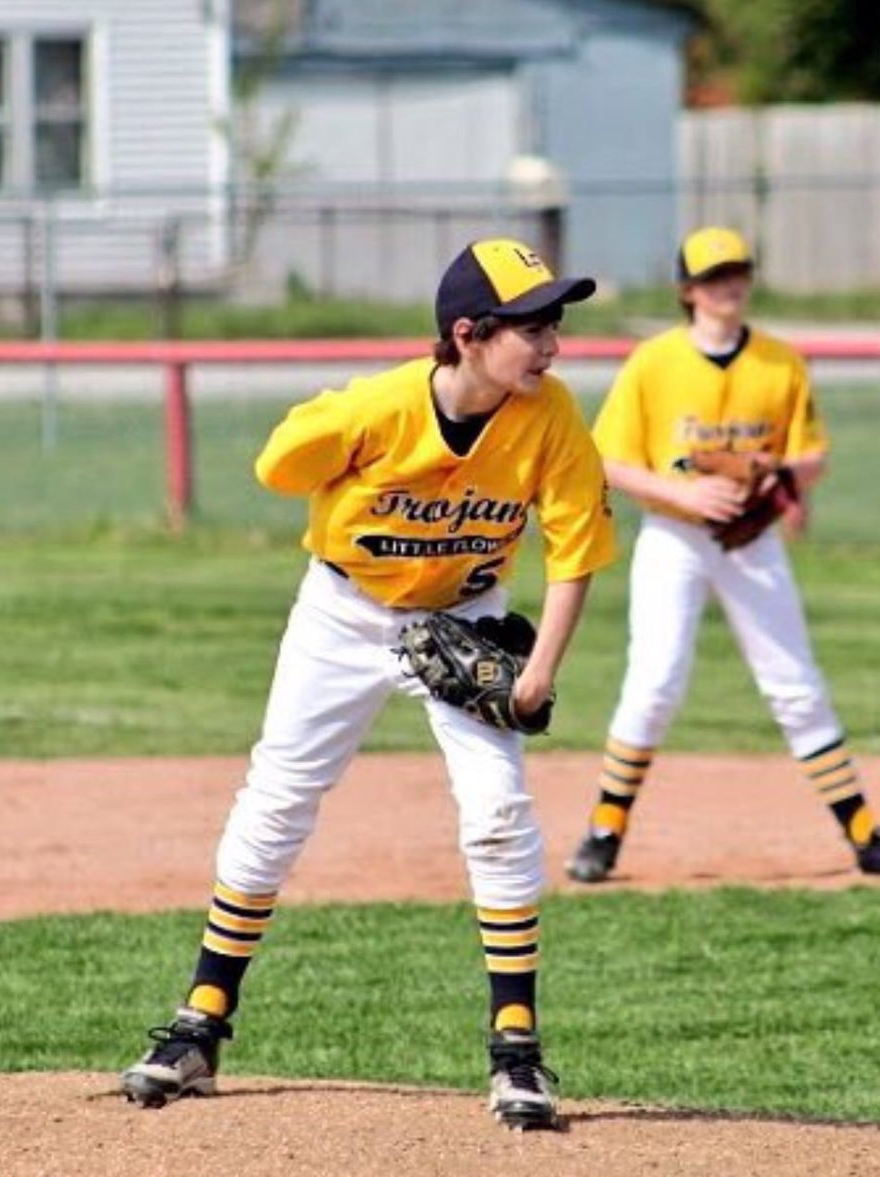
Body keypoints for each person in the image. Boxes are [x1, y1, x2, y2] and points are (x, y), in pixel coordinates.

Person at [120, 238, 617, 1131]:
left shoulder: (551, 416)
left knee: (500, 812)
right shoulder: (380, 407)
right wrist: (340, 449)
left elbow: (577, 543)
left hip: (467, 619)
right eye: (531, 326)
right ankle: (200, 1025)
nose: (551, 343)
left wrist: (540, 674)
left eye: (555, 324)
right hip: (343, 614)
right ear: (467, 334)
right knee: (277, 799)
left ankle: (517, 1052)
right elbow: (278, 467)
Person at [565, 226, 880, 886]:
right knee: (654, 682)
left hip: (752, 538)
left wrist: (778, 480)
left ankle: (865, 838)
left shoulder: (779, 361)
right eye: (713, 277)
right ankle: (605, 830)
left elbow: (813, 453)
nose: (728, 285)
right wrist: (683, 489)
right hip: (674, 536)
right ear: (687, 290)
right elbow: (609, 458)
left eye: (737, 271)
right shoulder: (654, 362)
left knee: (795, 685)